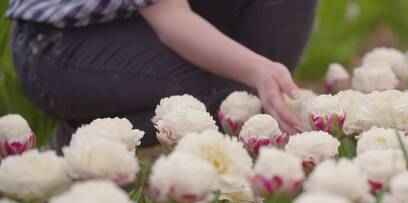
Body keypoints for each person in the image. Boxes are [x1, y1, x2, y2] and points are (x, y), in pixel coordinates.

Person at [6, 0, 318, 147]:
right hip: (59, 45)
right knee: (212, 100)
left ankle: (261, 131)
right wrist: (257, 68)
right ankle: (83, 148)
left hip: (136, 21)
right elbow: (172, 21)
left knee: (242, 100)